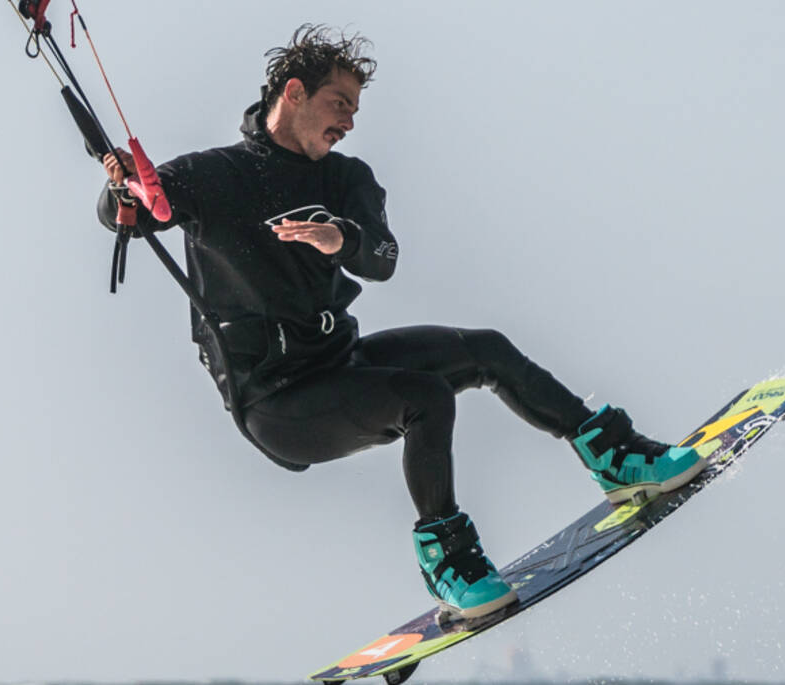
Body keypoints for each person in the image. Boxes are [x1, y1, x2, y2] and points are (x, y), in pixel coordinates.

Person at [97, 24, 702, 619]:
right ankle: (448, 563)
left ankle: (615, 460)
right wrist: (121, 192)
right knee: (426, 397)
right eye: (340, 104)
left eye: (356, 110)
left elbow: (383, 258)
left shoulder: (346, 179)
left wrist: (342, 239)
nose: (350, 122)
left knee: (487, 349)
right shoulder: (212, 176)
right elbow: (137, 211)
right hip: (275, 402)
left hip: (340, 362)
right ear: (294, 93)